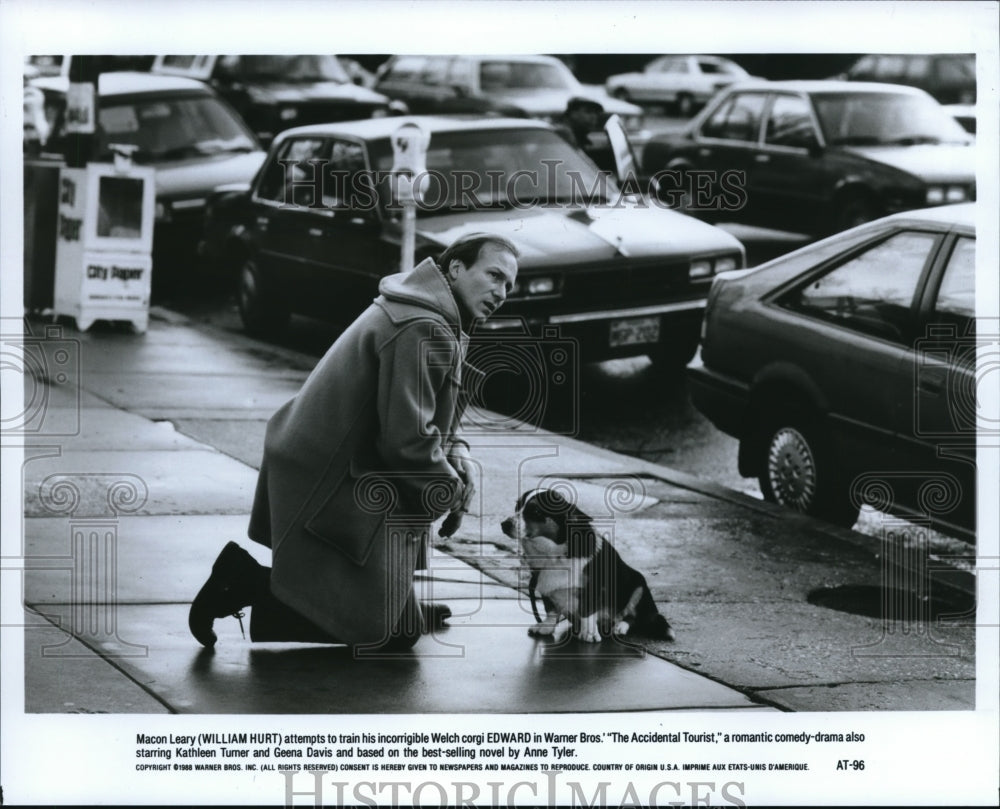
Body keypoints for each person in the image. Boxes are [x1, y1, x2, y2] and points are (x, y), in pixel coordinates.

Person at [188, 233, 519, 651]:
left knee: (398, 627)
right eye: (494, 276)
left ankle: (391, 608)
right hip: (331, 471)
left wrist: (458, 453)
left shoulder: (436, 314)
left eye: (509, 285)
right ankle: (246, 582)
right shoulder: (423, 326)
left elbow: (431, 415)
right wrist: (451, 491)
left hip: (328, 456)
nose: (502, 292)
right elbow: (406, 445)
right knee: (385, 635)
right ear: (456, 269)